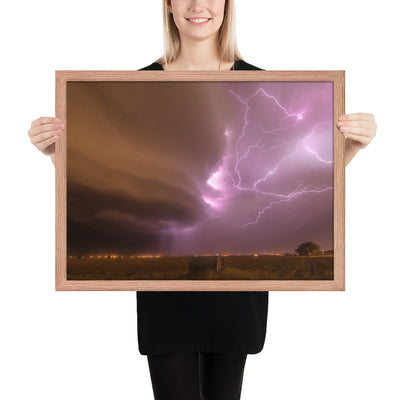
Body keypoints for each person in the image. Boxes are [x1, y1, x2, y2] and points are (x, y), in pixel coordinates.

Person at [27, 0, 377, 399]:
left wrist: (353, 147)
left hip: (235, 303)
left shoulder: (265, 83)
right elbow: (102, 186)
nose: (198, 5)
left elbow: (324, 179)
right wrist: (57, 154)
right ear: (169, 6)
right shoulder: (133, 87)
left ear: (227, 6)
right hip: (166, 302)